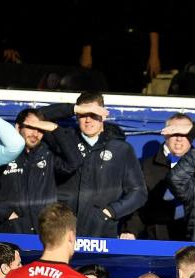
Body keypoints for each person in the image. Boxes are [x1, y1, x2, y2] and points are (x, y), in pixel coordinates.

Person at [40, 92, 147, 238]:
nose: (88, 120)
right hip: (63, 229)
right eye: (83, 114)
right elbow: (36, 117)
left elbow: (138, 192)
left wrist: (109, 212)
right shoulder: (64, 139)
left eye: (93, 114)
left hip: (102, 230)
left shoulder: (121, 148)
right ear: (77, 116)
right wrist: (73, 109)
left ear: (103, 115)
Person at [125, 113, 195, 240]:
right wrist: (130, 230)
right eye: (174, 133)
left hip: (194, 234)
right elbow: (136, 201)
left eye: (184, 133)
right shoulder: (146, 166)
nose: (179, 138)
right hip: (158, 235)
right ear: (165, 135)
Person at [0, 108, 83, 234]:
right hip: (10, 231)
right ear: (18, 128)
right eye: (31, 127)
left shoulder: (48, 155)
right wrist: (6, 214)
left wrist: (55, 129)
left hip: (43, 233)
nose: (35, 134)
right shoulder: (1, 153)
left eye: (40, 129)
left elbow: (75, 162)